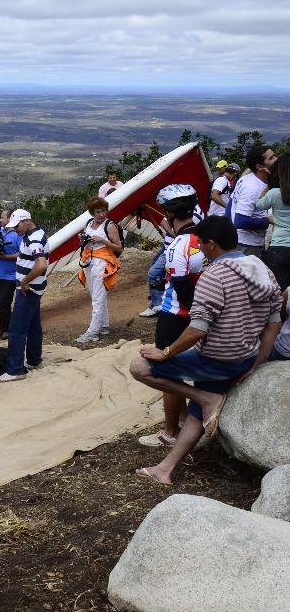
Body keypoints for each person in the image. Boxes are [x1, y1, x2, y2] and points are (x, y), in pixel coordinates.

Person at [129, 216, 281, 484]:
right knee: (199, 410)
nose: (199, 249)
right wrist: (255, 363)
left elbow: (198, 329)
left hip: (216, 358)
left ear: (212, 245)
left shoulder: (214, 276)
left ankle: (205, 398)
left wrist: (166, 352)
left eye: (200, 244)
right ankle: (165, 469)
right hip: (243, 358)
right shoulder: (262, 269)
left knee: (139, 367)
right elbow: (273, 324)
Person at [137, 185, 206, 448]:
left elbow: (180, 283)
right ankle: (185, 417)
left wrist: (193, 312)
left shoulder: (178, 244)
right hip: (202, 311)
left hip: (177, 312)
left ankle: (170, 432)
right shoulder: (204, 236)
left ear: (168, 211)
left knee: (167, 373)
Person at [0, 209, 49, 382]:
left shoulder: (33, 238)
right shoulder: (36, 234)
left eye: (17, 225)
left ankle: (15, 369)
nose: (15, 229)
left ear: (26, 221)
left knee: (16, 330)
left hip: (28, 289)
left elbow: (41, 265)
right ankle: (34, 359)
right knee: (33, 325)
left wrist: (25, 282)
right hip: (34, 287)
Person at [76, 197, 123, 343]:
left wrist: (102, 241)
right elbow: (84, 241)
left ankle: (92, 332)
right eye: (98, 212)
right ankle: (103, 326)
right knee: (96, 295)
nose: (101, 214)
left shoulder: (110, 226)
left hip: (102, 261)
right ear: (92, 213)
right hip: (89, 260)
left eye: (103, 211)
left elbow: (119, 247)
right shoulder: (89, 224)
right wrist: (84, 239)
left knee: (98, 296)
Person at [229, 145, 277, 256]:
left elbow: (231, 205)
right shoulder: (253, 188)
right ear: (259, 167)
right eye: (271, 158)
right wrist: (268, 220)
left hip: (241, 240)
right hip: (248, 245)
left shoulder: (245, 179)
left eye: (274, 155)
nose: (276, 159)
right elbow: (240, 221)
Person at [256, 152, 290, 289]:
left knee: (278, 292)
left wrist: (267, 186)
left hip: (279, 248)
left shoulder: (275, 193)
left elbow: (258, 204)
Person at [0, 216, 22, 339]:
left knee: (4, 302)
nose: (0, 219)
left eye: (3, 217)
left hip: (10, 275)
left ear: (10, 218)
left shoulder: (17, 234)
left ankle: (8, 329)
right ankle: (3, 327)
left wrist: (7, 257)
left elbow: (22, 253)